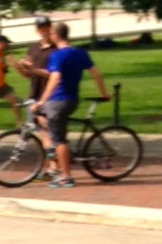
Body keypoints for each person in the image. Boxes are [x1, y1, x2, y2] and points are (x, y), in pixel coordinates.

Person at [31, 22, 110, 188]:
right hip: (72, 100)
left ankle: (66, 177)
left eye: (51, 33)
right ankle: (59, 152)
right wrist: (104, 93)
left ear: (56, 35)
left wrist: (42, 100)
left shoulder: (58, 55)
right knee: (39, 117)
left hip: (58, 100)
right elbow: (97, 73)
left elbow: (54, 79)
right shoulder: (80, 53)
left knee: (59, 140)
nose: (50, 36)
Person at [19, 17, 58, 178]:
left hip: (50, 95)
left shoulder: (56, 49)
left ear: (50, 27)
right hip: (35, 95)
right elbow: (28, 75)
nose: (43, 30)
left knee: (47, 133)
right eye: (40, 27)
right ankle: (52, 167)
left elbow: (54, 75)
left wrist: (34, 69)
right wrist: (20, 67)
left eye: (46, 26)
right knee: (45, 134)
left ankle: (54, 168)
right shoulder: (34, 48)